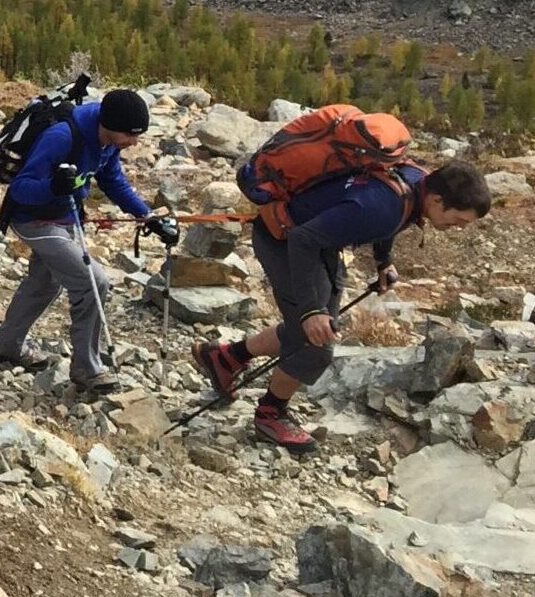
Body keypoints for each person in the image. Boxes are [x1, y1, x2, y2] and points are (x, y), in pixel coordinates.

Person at [194, 159, 491, 450]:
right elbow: (303, 239)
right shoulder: (383, 205)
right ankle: (271, 414)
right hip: (284, 239)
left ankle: (226, 358)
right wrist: (311, 310)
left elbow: (394, 220)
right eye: (460, 220)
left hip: (319, 243)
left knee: (315, 330)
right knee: (315, 343)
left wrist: (383, 261)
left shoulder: (416, 183)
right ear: (438, 200)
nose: (460, 228)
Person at [0, 86, 176, 391]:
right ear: (110, 126)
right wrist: (54, 187)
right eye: (130, 134)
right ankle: (87, 369)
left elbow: (112, 180)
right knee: (93, 281)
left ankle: (5, 345)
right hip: (33, 218)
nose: (134, 141)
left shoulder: (108, 141)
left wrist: (147, 216)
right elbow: (21, 188)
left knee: (43, 283)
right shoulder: (62, 136)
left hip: (66, 216)